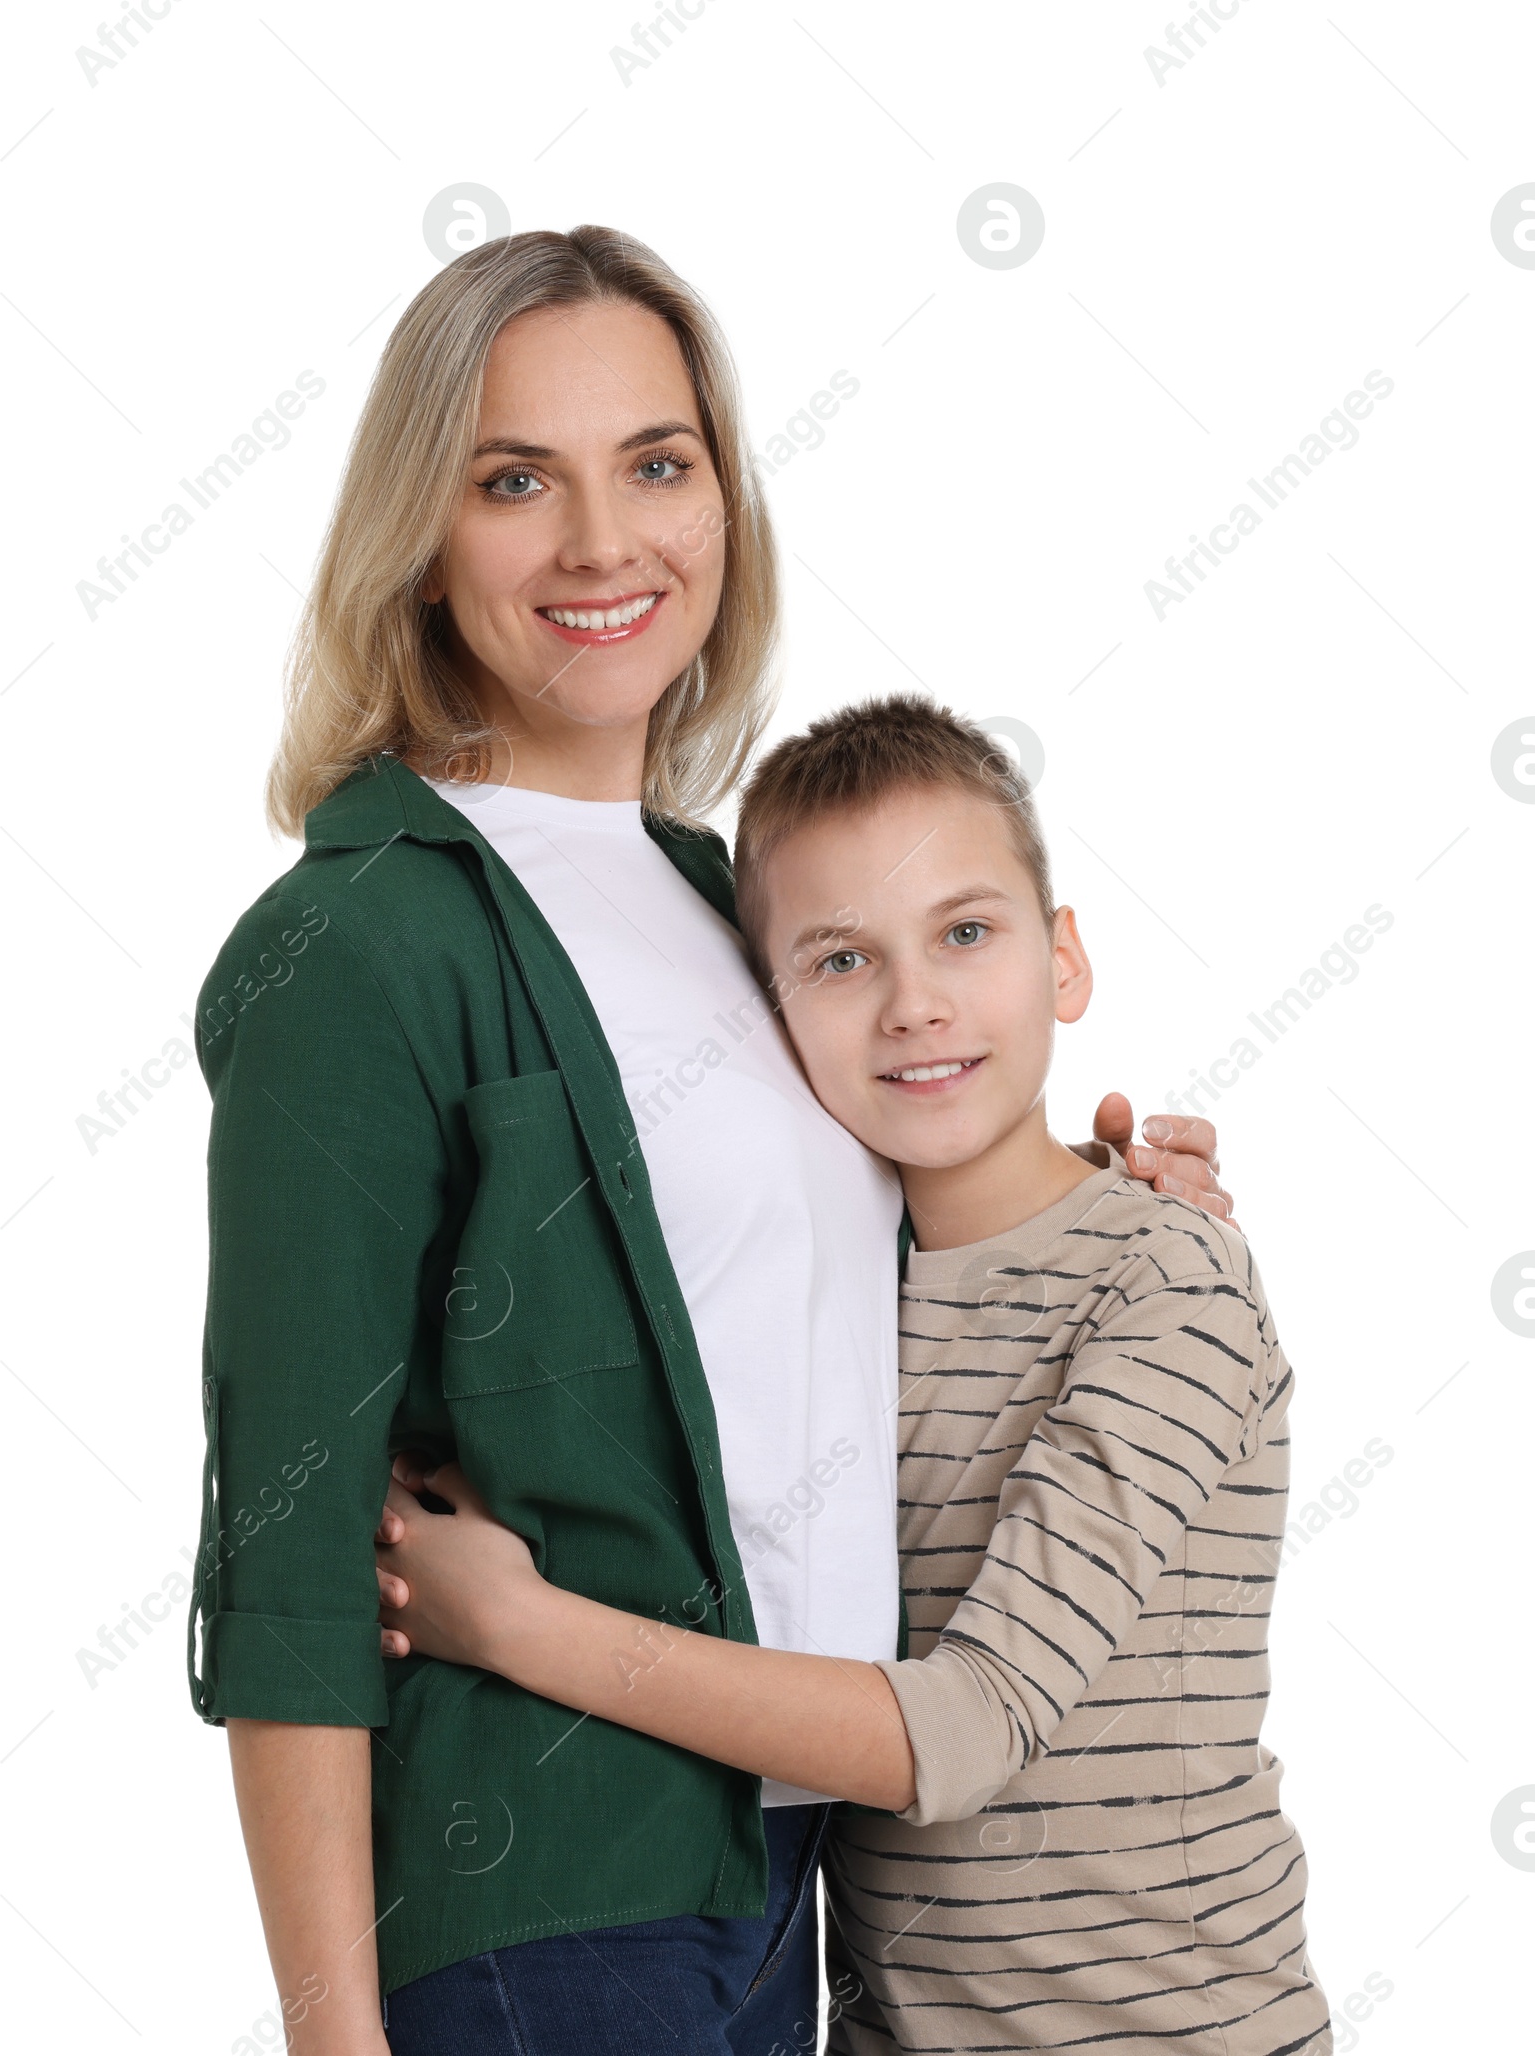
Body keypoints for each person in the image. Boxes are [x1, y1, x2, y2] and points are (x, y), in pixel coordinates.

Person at [188, 222, 1229, 2056]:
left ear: (723, 506)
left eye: (656, 466)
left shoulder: (720, 894)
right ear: (423, 541)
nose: (605, 544)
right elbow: (287, 1558)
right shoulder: (353, 945)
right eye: (518, 481)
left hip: (802, 1880)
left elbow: (810, 1306)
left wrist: (1102, 1213)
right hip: (551, 1898)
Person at [374, 696, 1329, 2053]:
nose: (915, 1003)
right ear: (765, 1016)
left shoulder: (1165, 1279)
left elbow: (965, 1727)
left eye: (967, 931)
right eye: (839, 961)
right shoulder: (832, 1294)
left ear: (1064, 961)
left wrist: (517, 1627)